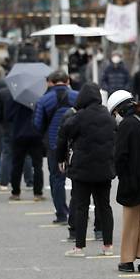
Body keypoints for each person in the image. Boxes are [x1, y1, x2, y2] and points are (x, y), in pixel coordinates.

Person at [57, 83, 116, 257]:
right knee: (104, 206)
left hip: (82, 169)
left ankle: (80, 247)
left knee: (81, 207)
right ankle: (108, 245)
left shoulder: (78, 117)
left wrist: (60, 159)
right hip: (105, 168)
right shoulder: (108, 117)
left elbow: (62, 136)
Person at [107, 90, 140, 273]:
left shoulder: (126, 125)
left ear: (119, 109)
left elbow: (120, 155)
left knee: (130, 222)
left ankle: (127, 260)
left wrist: (120, 174)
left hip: (131, 179)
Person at [33, 70, 78, 225]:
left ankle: (61, 214)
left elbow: (37, 125)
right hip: (76, 143)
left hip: (54, 144)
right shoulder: (77, 96)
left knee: (57, 178)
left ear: (51, 82)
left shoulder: (44, 99)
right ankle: (77, 213)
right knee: (78, 179)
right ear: (67, 81)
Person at [0, 78, 34, 191]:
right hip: (24, 127)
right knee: (26, 155)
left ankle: (4, 181)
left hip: (8, 127)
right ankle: (29, 181)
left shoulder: (3, 93)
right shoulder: (27, 93)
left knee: (7, 155)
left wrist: (3, 123)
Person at [5, 90, 45, 201]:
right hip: (36, 134)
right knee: (37, 165)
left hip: (19, 134)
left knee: (17, 164)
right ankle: (38, 193)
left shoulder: (16, 97)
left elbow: (8, 115)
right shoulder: (38, 97)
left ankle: (16, 192)